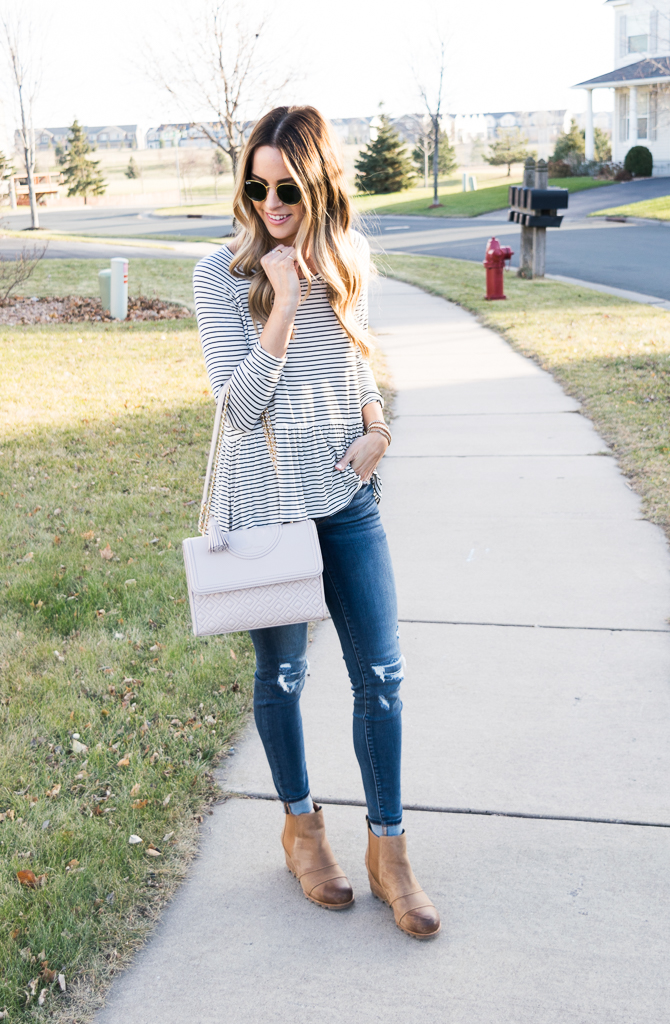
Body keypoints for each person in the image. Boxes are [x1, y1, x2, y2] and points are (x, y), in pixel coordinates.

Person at [193, 105, 440, 939]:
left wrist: (374, 426)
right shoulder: (217, 275)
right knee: (285, 677)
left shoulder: (348, 259)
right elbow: (238, 403)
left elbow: (355, 360)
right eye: (255, 186)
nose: (270, 200)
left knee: (382, 677)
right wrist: (284, 301)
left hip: (346, 500)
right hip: (266, 509)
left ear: (319, 183)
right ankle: (303, 832)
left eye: (287, 186)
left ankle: (389, 851)